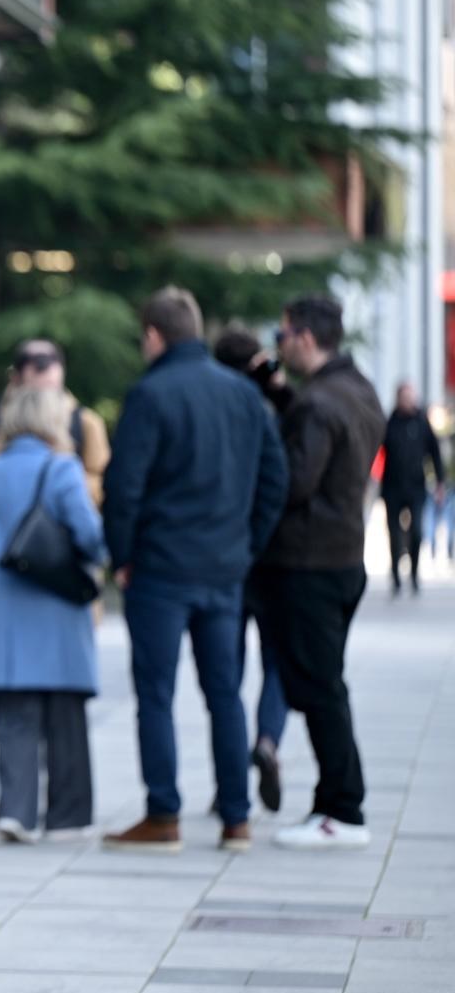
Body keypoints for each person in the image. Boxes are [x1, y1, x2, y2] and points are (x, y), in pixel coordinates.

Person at [101, 288, 287, 854]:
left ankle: (164, 816)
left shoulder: (150, 394)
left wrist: (122, 557)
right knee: (224, 694)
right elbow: (274, 481)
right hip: (224, 569)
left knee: (156, 693)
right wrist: (245, 545)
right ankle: (236, 818)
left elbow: (123, 489)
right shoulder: (244, 396)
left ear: (154, 335)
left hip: (159, 569)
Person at [0, 339, 110, 821]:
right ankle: (67, 816)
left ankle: (15, 811)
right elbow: (91, 537)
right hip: (56, 605)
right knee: (64, 711)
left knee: (13, 710)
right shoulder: (62, 469)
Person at [265, 295, 385, 849]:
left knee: (320, 689)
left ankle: (343, 808)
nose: (279, 342)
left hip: (310, 562)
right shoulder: (358, 390)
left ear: (305, 338)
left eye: (283, 334)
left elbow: (295, 482)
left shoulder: (319, 404)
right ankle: (332, 803)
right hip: (343, 558)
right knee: (323, 684)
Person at [211, 328, 291, 812]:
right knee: (276, 662)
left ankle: (229, 784)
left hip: (227, 556)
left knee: (227, 673)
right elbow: (280, 479)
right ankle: (267, 742)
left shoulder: (217, 409)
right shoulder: (277, 411)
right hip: (275, 556)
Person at [381, 382, 444, 597]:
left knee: (416, 530)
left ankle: (415, 573)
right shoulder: (390, 422)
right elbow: (378, 452)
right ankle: (396, 575)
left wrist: (439, 482)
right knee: (394, 532)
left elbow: (434, 453)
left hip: (416, 486)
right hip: (392, 486)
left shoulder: (421, 422)